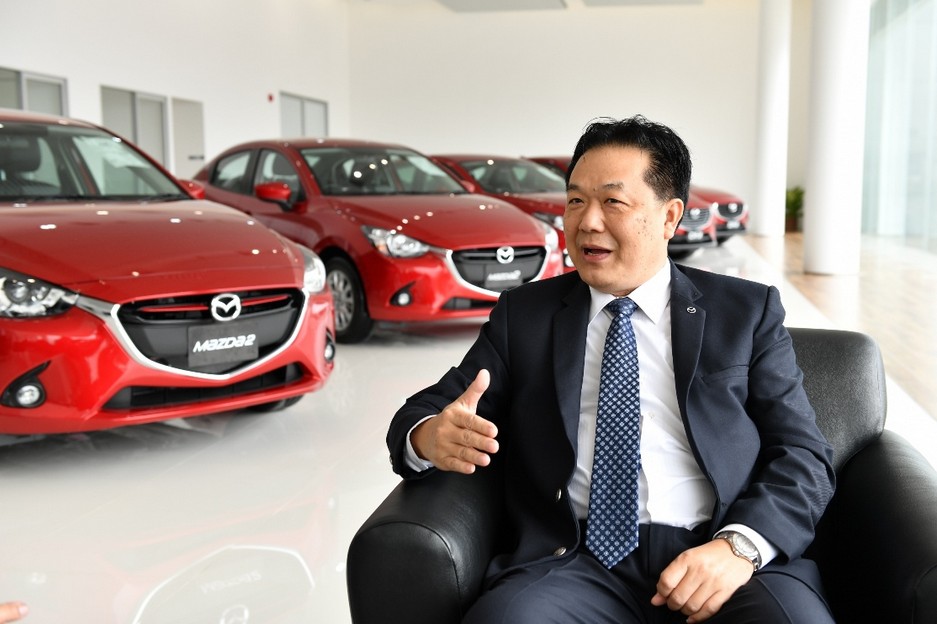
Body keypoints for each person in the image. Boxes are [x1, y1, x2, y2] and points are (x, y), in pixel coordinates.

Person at [387, 115, 836, 623]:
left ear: (669, 217)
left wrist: (738, 548)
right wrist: (429, 436)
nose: (588, 222)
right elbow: (429, 410)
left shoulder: (744, 312)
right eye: (575, 201)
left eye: (613, 202)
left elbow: (804, 454)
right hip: (575, 560)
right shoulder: (525, 316)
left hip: (721, 553)